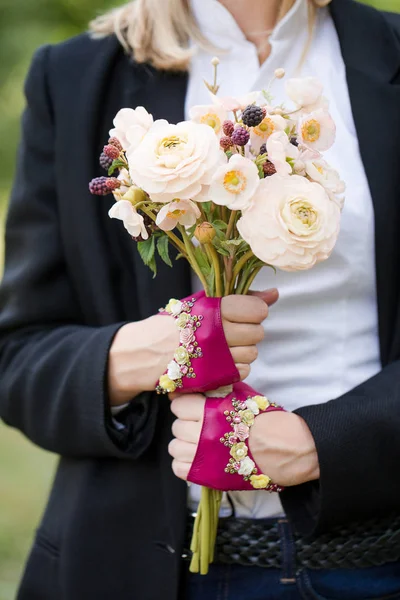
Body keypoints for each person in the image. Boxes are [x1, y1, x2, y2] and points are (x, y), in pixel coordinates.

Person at [1, 0, 400, 598]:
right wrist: (132, 355)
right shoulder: (75, 76)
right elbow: (19, 358)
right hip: (140, 569)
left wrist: (327, 442)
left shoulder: (386, 53)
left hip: (375, 559)